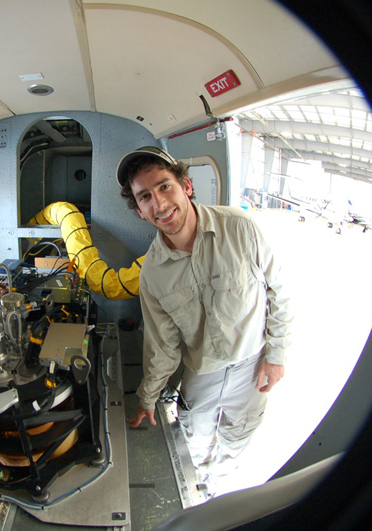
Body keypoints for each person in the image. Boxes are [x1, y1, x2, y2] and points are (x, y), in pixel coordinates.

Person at [117, 146, 293, 484]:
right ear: (139, 211)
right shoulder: (152, 273)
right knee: (193, 439)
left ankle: (218, 487)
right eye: (145, 197)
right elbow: (162, 346)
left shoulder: (240, 228)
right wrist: (147, 398)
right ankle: (199, 485)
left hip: (252, 365)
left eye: (164, 186)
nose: (159, 204)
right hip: (202, 371)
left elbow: (279, 291)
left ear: (186, 186)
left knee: (237, 437)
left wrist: (277, 356)